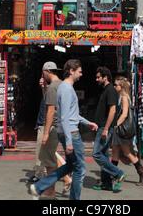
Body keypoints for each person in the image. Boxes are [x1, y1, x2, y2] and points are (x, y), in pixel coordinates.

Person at [30, 59, 98, 200]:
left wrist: (86, 122)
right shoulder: (66, 88)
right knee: (80, 169)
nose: (81, 74)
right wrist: (69, 141)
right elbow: (65, 116)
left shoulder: (63, 88)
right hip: (71, 133)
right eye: (79, 71)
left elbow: (69, 114)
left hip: (68, 132)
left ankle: (39, 186)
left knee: (70, 166)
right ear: (71, 71)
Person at [29, 76, 72, 193]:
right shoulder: (49, 92)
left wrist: (46, 132)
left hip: (45, 126)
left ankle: (58, 182)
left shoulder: (53, 90)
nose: (41, 81)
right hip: (44, 125)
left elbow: (50, 112)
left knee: (47, 155)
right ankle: (61, 180)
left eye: (44, 80)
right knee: (49, 154)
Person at [92, 66, 126, 192]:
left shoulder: (110, 90)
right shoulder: (106, 89)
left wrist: (106, 129)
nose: (96, 79)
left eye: (98, 77)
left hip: (105, 128)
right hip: (102, 127)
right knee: (104, 155)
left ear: (105, 77)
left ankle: (118, 173)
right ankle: (106, 183)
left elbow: (113, 110)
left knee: (96, 153)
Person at [111, 76, 143, 186]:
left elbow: (124, 114)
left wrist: (116, 125)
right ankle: (113, 175)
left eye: (116, 85)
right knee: (115, 151)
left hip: (122, 129)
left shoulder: (124, 98)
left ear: (121, 86)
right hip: (120, 129)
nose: (114, 86)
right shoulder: (120, 96)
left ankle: (142, 173)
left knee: (127, 152)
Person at [38, 61, 62, 199]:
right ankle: (53, 187)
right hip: (60, 125)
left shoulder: (53, 87)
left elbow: (50, 111)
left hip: (54, 126)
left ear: (47, 71)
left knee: (49, 160)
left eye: (43, 73)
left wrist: (46, 133)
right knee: (51, 158)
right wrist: (43, 88)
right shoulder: (61, 85)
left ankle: (50, 191)